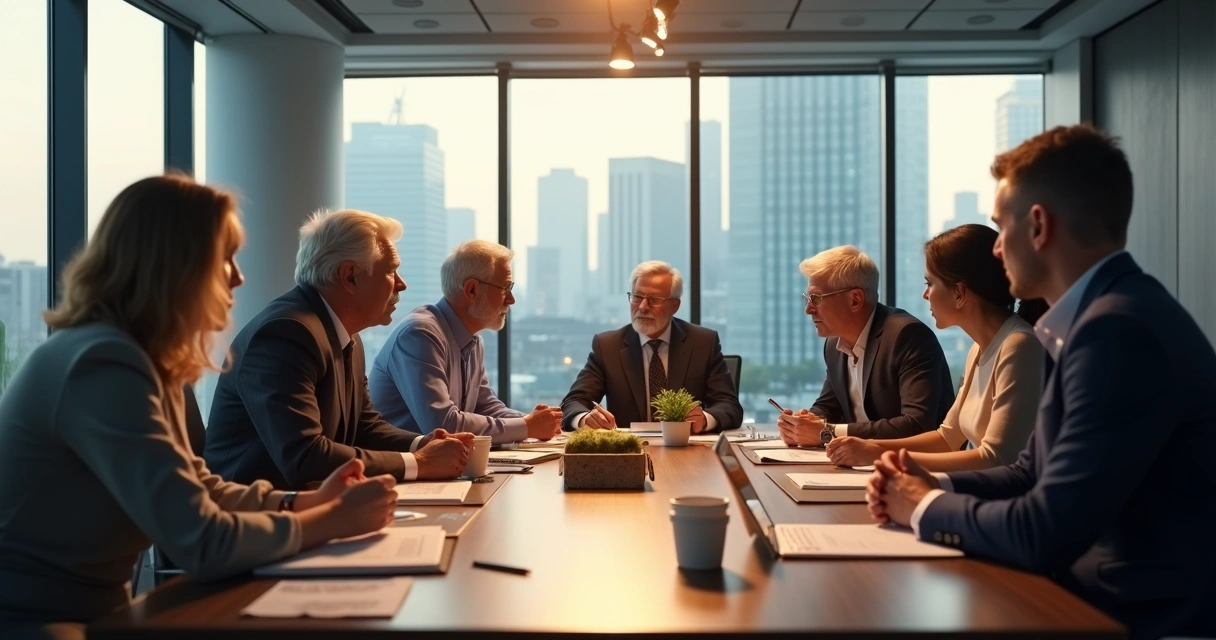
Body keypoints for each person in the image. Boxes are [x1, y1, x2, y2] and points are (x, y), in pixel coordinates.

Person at [0, 176, 400, 637]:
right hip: (36, 623)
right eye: (224, 258)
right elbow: (204, 542)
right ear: (175, 265)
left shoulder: (136, 356)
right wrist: (332, 520)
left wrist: (305, 500)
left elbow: (199, 486)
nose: (238, 276)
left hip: (96, 613)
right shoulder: (102, 362)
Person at [867, 124, 1216, 639]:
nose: (995, 248)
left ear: (1038, 226)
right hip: (1088, 597)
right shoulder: (1093, 319)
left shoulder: (1116, 331)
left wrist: (921, 506)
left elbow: (1043, 531)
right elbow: (1029, 473)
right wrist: (927, 484)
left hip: (1134, 617)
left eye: (999, 226)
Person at [204, 209, 471, 490]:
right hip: (251, 518)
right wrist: (420, 463)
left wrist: (423, 443)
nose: (402, 284)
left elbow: (364, 428)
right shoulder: (285, 334)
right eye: (391, 270)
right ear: (350, 276)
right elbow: (305, 457)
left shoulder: (342, 335)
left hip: (305, 505)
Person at [826, 225, 1046, 471]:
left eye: (930, 283)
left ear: (959, 293)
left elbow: (996, 458)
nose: (925, 294)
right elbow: (947, 438)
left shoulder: (1019, 346)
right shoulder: (979, 348)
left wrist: (879, 456)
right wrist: (871, 448)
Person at [368, 240, 562, 444]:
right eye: (505, 288)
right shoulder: (420, 334)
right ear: (471, 290)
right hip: (401, 469)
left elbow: (485, 407)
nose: (511, 299)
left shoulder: (473, 340)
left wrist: (535, 422)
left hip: (440, 467)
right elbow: (443, 425)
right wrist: (526, 426)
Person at [777, 246, 954, 446]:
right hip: (861, 464)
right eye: (807, 298)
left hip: (918, 468)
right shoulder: (834, 344)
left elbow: (917, 425)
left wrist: (828, 432)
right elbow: (828, 406)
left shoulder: (907, 335)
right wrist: (802, 423)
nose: (808, 309)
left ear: (855, 300)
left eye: (816, 298)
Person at [561, 261, 743, 432]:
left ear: (675, 305)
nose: (643, 306)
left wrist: (704, 419)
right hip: (629, 453)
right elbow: (574, 402)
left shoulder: (703, 343)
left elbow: (729, 406)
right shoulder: (608, 346)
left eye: (654, 299)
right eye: (637, 297)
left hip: (686, 450)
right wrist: (586, 419)